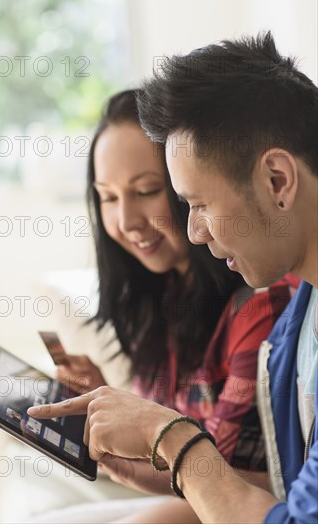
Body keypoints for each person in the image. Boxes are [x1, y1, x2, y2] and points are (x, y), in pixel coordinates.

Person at [28, 32, 317, 523]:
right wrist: (160, 463)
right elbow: (291, 492)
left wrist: (176, 440)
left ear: (277, 181)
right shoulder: (297, 326)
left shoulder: (270, 317)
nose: (194, 232)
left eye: (199, 204)